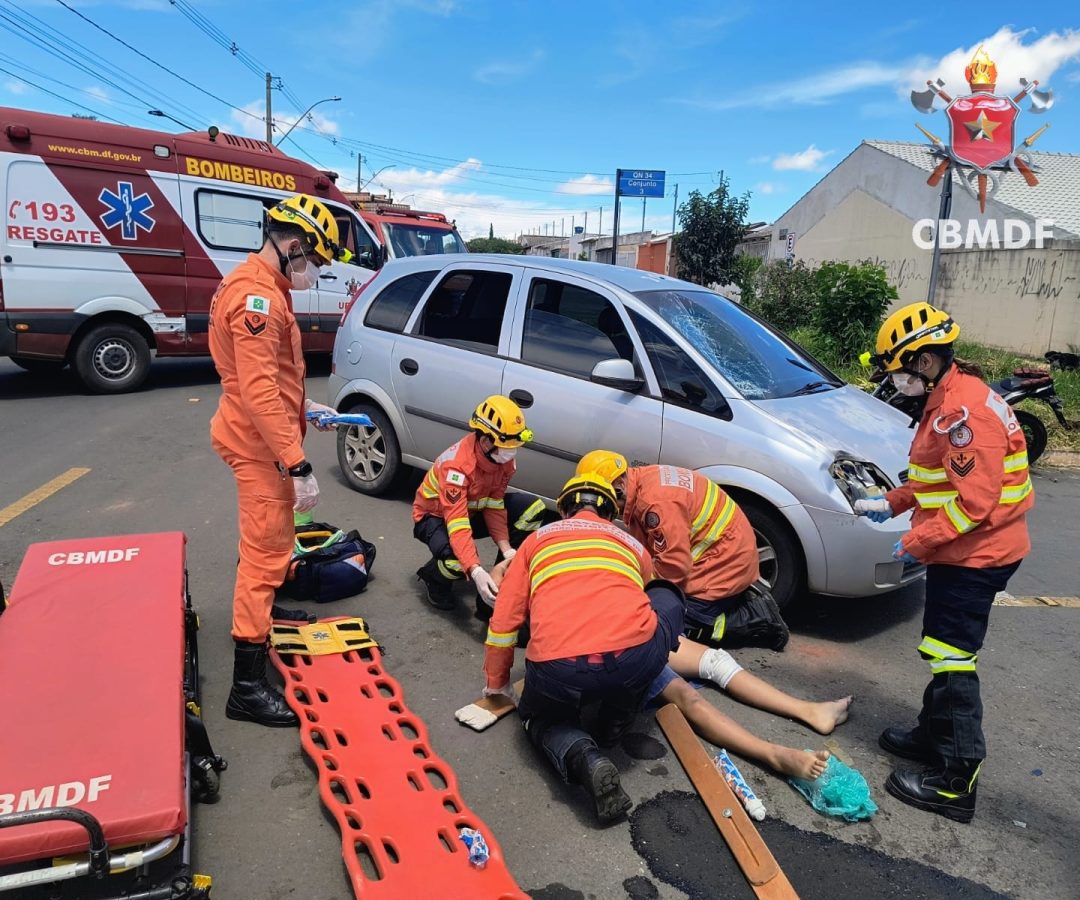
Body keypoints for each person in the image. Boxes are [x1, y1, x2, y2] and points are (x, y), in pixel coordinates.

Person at [857, 302, 1033, 823]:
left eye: (898, 368)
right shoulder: (947, 396)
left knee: (953, 657)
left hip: (977, 553)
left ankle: (956, 778)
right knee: (943, 649)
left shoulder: (965, 415)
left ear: (926, 360)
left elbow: (974, 504)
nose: (894, 379)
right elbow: (935, 480)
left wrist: (916, 543)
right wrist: (893, 502)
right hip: (968, 549)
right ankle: (932, 736)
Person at [487, 558, 848, 781]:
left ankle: (794, 730)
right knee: (696, 683)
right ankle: (780, 744)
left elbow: (504, 608)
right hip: (624, 642)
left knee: (690, 689)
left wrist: (500, 567)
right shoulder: (599, 542)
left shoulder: (539, 552)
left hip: (591, 651)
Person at [209, 193, 347, 727]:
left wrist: (305, 406)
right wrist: (298, 463)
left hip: (263, 436)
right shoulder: (256, 301)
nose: (316, 272)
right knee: (265, 549)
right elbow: (258, 391)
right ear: (293, 246)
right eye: (314, 260)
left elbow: (264, 381)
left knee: (271, 541)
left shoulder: (260, 284)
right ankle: (246, 686)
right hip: (258, 445)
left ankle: (261, 615)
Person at [483, 474, 685, 823]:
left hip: (559, 668)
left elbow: (504, 618)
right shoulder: (632, 544)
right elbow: (645, 594)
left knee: (539, 717)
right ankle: (616, 718)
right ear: (610, 511)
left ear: (565, 509)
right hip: (633, 658)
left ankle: (584, 757)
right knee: (664, 594)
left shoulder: (535, 541)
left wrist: (498, 682)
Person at [575, 452, 789, 651]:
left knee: (666, 629)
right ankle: (732, 602)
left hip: (721, 567)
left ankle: (758, 619)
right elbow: (655, 547)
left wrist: (638, 587)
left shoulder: (655, 503)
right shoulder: (644, 482)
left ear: (619, 485)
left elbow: (673, 565)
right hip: (723, 555)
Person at [412, 395, 551, 613]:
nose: (511, 452)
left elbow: (494, 504)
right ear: (485, 440)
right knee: (457, 562)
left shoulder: (502, 459)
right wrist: (475, 570)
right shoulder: (456, 468)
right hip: (435, 518)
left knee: (532, 508)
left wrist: (506, 549)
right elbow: (457, 524)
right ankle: (434, 577)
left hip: (472, 513)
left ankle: (500, 579)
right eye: (505, 446)